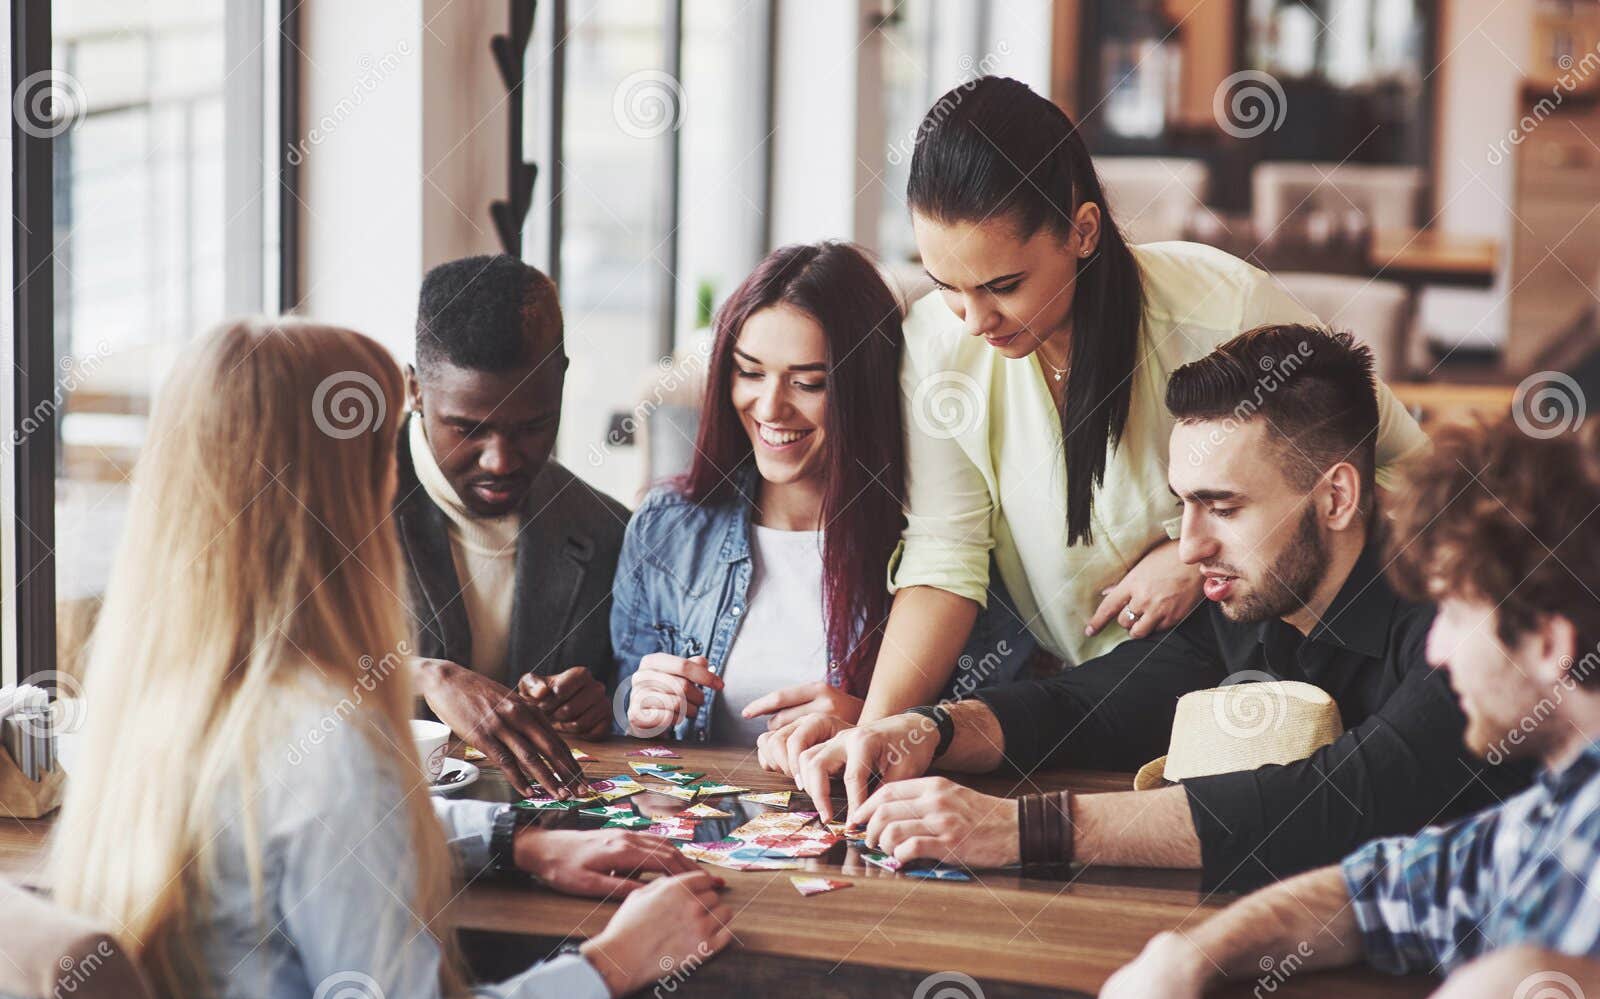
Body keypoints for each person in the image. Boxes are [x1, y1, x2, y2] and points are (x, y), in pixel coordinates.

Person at [49, 320, 732, 999]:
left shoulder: (145, 697)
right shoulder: (329, 742)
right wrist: (614, 962)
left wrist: (514, 841)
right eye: (382, 455)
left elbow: (296, 831)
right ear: (343, 488)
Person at [760, 75, 1430, 767]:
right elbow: (943, 561)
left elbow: (1406, 469)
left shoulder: (1223, 310)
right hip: (1061, 706)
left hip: (1233, 701)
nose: (975, 321)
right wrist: (878, 737)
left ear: (1082, 231)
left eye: (1002, 286)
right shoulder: (938, 345)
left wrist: (1188, 555)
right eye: (946, 287)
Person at [787, 325, 1531, 893]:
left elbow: (1339, 805)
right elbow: (1086, 706)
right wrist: (927, 729)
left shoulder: (1460, 625)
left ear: (1336, 496)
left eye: (1223, 507)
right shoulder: (1250, 607)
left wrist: (1020, 829)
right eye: (1184, 506)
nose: (1191, 545)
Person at [1077, 415, 1600, 999]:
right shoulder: (1548, 817)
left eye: (1457, 614)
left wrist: (1520, 983)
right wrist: (1185, 955)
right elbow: (1371, 892)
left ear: (1549, 645)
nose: (1436, 648)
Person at [613, 242, 1032, 747]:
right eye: (749, 372)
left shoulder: (944, 542)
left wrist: (876, 724)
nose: (770, 407)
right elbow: (622, 707)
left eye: (809, 383)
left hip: (871, 821)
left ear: (866, 389)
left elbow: (1011, 722)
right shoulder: (667, 525)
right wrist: (638, 710)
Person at [400, 255, 627, 793]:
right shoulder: (331, 508)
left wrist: (599, 711)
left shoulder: (608, 531)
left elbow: (632, 713)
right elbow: (262, 674)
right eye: (467, 429)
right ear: (413, 390)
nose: (500, 461)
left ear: (562, 382)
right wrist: (426, 674)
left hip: (544, 853)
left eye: (532, 426)